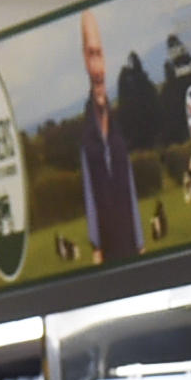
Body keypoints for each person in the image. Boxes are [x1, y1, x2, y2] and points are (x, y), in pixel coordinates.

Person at [71, 14, 140, 269]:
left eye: (99, 54)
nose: (97, 65)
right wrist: (96, 246)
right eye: (91, 55)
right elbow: (89, 191)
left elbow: (130, 184)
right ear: (84, 60)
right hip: (109, 251)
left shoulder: (117, 125)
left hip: (131, 243)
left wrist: (141, 240)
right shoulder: (86, 134)